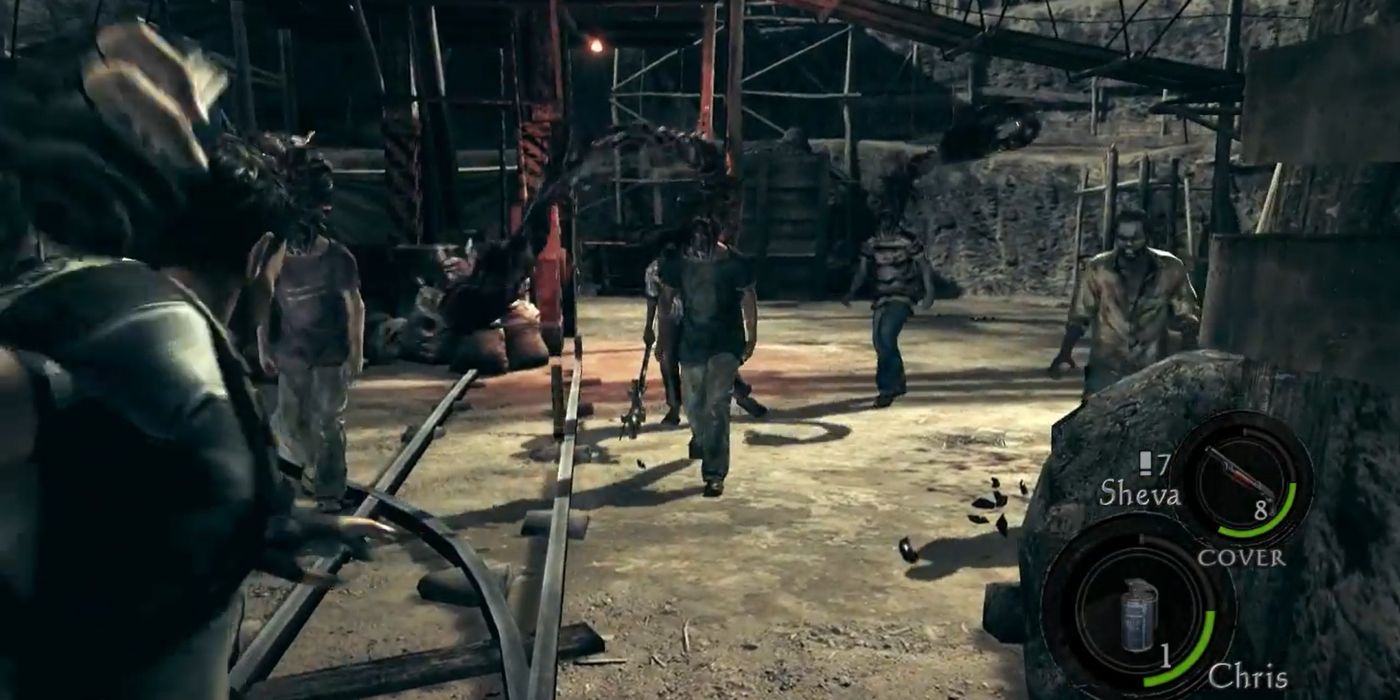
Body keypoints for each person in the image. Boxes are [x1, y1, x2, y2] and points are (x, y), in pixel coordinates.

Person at [0, 36, 387, 699]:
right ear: (261, 255)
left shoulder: (108, 307)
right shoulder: (152, 336)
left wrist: (263, 520)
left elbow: (119, 487)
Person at [256, 140, 365, 513]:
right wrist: (263, 345)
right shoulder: (276, 257)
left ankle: (330, 490)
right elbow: (265, 298)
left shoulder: (337, 258)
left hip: (329, 356)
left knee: (327, 421)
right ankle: (308, 471)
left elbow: (354, 305)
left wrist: (356, 350)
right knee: (290, 420)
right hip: (292, 355)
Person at [1048, 209, 1200, 397]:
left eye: (1135, 239)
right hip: (1106, 367)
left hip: (1152, 367)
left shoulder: (1171, 268)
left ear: (1148, 237)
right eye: (1122, 238)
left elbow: (1187, 314)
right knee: (1098, 413)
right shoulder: (1098, 269)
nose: (1128, 245)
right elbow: (1080, 315)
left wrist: (1190, 354)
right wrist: (1065, 352)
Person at [657, 216, 757, 498]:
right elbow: (666, 299)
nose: (700, 247)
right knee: (693, 403)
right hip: (692, 342)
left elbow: (748, 297)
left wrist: (752, 335)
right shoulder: (678, 262)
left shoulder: (733, 263)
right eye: (695, 241)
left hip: (725, 342)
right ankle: (702, 438)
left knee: (717, 405)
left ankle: (715, 473)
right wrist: (663, 338)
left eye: (705, 240)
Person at [842, 227, 935, 407]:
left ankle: (887, 388)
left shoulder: (907, 240)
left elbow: (924, 266)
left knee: (886, 335)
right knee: (879, 341)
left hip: (902, 295)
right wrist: (851, 292)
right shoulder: (872, 242)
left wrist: (929, 292)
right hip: (881, 296)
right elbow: (862, 270)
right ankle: (897, 381)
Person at [643, 243, 684, 426]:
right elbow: (654, 301)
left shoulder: (691, 265)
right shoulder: (655, 270)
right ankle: (674, 406)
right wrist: (649, 327)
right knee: (667, 360)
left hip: (693, 316)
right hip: (672, 318)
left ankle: (740, 393)